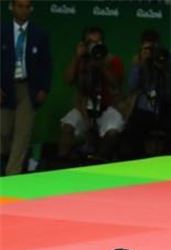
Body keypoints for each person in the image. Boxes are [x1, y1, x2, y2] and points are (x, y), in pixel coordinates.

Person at [58, 26, 125, 164]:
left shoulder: (113, 60)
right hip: (84, 108)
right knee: (67, 126)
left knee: (112, 130)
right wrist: (77, 57)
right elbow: (68, 79)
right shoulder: (81, 60)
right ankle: (61, 165)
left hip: (107, 108)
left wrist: (101, 65)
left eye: (98, 42)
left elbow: (116, 84)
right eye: (90, 43)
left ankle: (98, 163)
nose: (94, 46)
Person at [0, 0, 51, 175]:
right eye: (19, 6)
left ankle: (11, 176)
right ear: (11, 7)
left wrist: (44, 88)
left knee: (22, 134)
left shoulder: (39, 34)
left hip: (28, 88)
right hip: (4, 87)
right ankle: (8, 158)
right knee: (3, 132)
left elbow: (46, 64)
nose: (23, 10)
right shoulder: (2, 31)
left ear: (31, 9)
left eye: (27, 6)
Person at [122, 29, 171, 160]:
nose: (151, 51)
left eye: (154, 47)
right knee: (132, 128)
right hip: (146, 107)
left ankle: (167, 160)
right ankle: (140, 160)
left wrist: (164, 66)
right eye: (147, 47)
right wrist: (141, 64)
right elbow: (132, 87)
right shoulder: (139, 59)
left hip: (167, 105)